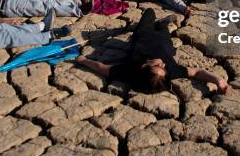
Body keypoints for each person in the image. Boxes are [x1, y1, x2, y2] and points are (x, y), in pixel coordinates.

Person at [75, 8, 231, 94]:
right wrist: (218, 80)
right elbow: (197, 73)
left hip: (142, 34)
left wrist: (83, 60)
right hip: (163, 39)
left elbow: (101, 68)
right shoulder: (171, 71)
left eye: (158, 66)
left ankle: (159, 22)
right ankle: (163, 23)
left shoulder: (128, 70)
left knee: (149, 12)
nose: (163, 64)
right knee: (163, 27)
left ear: (144, 66)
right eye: (163, 68)